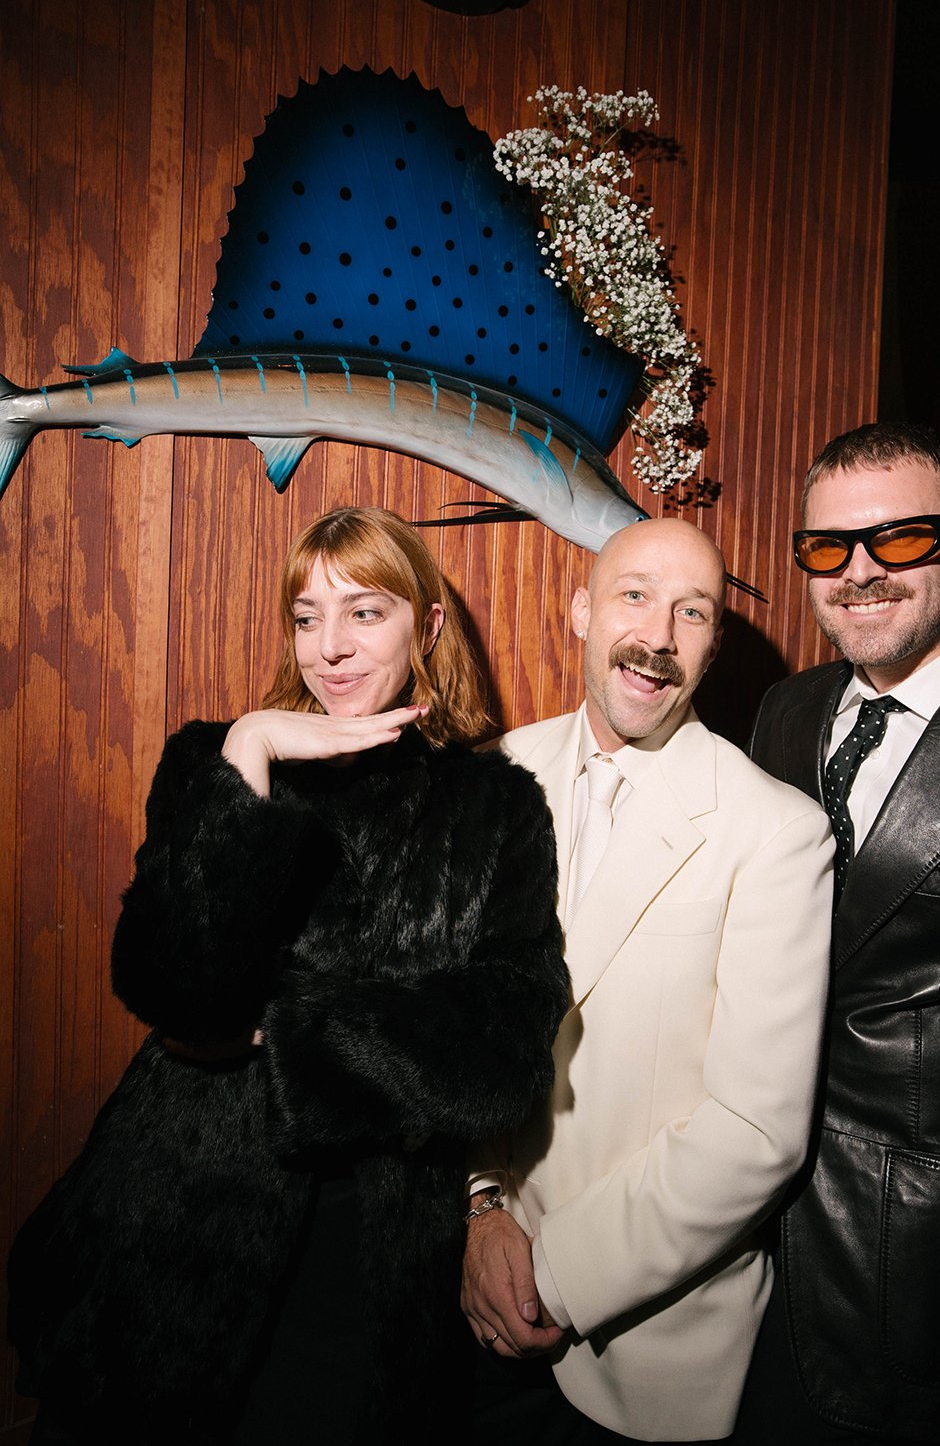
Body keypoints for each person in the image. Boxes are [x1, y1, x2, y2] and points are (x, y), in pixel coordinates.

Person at [7, 506, 569, 1446]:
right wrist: (252, 752)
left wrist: (290, 1036)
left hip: (375, 1258)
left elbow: (507, 1042)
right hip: (169, 1219)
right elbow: (177, 993)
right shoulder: (213, 761)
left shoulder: (496, 804)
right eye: (307, 617)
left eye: (364, 612)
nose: (329, 647)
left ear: (429, 623)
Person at [461, 517, 835, 1444]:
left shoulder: (777, 831)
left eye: (692, 611)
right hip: (467, 1303)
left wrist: (551, 1272)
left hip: (645, 1358)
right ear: (582, 610)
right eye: (634, 595)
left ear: (713, 644)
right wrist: (480, 1206)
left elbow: (756, 1131)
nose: (658, 635)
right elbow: (457, 1026)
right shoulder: (496, 773)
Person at [733, 423, 940, 1444]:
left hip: (937, 1246)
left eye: (900, 539)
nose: (858, 572)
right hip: (747, 1226)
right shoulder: (785, 710)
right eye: (827, 547)